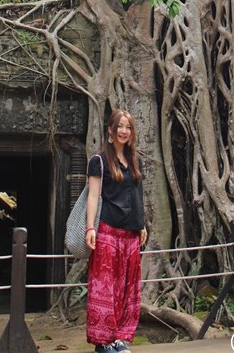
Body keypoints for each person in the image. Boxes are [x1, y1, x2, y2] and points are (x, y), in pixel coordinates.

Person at [85, 109, 148, 353]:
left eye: (128, 127)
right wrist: (90, 227)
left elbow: (138, 193)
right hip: (108, 230)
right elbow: (93, 195)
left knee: (126, 287)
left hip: (131, 233)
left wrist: (141, 223)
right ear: (110, 130)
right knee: (105, 286)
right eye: (120, 126)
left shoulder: (135, 160)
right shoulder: (98, 161)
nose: (124, 131)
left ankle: (119, 338)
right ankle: (103, 342)